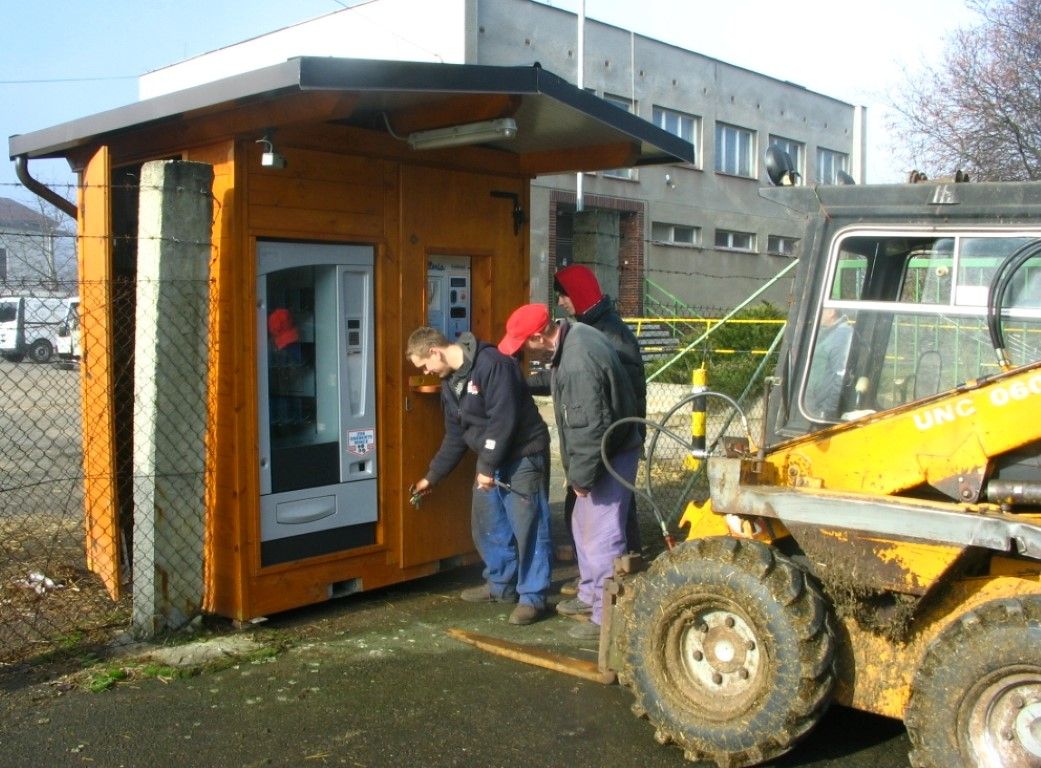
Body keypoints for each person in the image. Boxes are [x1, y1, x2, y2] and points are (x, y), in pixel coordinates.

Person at [499, 304, 640, 640]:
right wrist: (528, 383)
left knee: (602, 537)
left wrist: (582, 478)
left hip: (608, 453)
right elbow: (560, 380)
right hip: (609, 447)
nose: (523, 349)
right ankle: (591, 597)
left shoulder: (577, 359)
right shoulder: (574, 336)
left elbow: (590, 426)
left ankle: (605, 619)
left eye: (523, 342)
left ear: (537, 335)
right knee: (582, 527)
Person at [407, 326, 552, 626]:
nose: (427, 371)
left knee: (529, 527)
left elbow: (503, 422)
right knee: (487, 521)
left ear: (434, 351)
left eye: (425, 365)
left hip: (523, 454)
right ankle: (501, 585)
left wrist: (486, 468)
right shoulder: (451, 382)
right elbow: (456, 436)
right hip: (491, 458)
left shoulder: (493, 365)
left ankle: (533, 597)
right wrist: (431, 477)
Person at [553, 264, 647, 570]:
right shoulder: (593, 327)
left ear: (577, 295)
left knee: (611, 519)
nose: (560, 303)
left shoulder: (608, 335)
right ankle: (601, 580)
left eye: (563, 295)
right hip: (610, 438)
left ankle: (618, 580)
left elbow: (617, 397)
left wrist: (616, 442)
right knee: (601, 515)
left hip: (614, 439)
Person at [804, 307, 853, 421]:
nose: (817, 314)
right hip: (813, 405)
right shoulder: (828, 332)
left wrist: (827, 411)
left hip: (820, 411)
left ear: (831, 312)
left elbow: (841, 376)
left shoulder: (841, 335)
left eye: (821, 310)